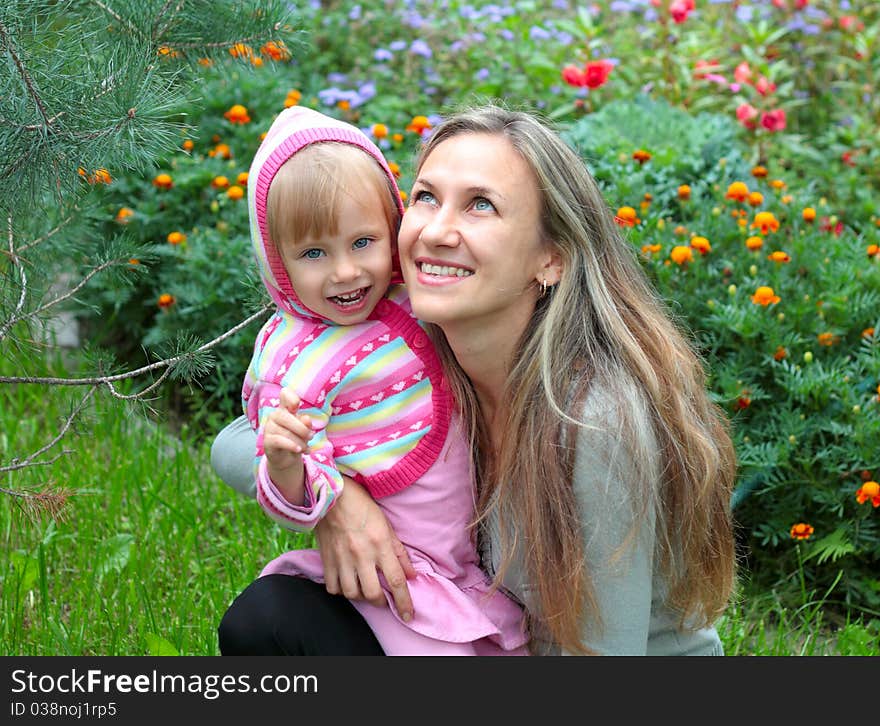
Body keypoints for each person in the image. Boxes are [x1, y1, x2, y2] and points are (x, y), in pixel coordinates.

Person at [214, 104, 738, 655]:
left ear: (551, 258)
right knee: (268, 619)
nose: (437, 230)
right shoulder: (424, 350)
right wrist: (337, 500)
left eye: (480, 205)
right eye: (425, 198)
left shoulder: (593, 420)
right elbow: (235, 441)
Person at [217, 105, 529, 656]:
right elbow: (276, 468)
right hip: (391, 570)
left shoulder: (423, 296)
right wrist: (292, 467)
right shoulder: (296, 363)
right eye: (314, 253)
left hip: (456, 557)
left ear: (392, 227)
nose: (345, 272)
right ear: (278, 263)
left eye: (363, 242)